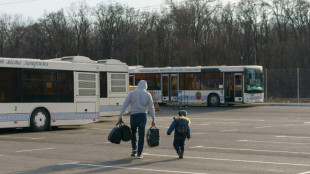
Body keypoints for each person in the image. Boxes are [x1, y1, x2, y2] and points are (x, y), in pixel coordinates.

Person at [119, 80, 156, 159]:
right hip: (143, 115)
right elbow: (151, 107)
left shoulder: (131, 93)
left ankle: (134, 149)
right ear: (145, 86)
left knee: (133, 132)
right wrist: (153, 119)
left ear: (138, 85)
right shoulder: (148, 94)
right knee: (141, 135)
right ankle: (139, 154)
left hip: (133, 115)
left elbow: (125, 104)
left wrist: (121, 114)